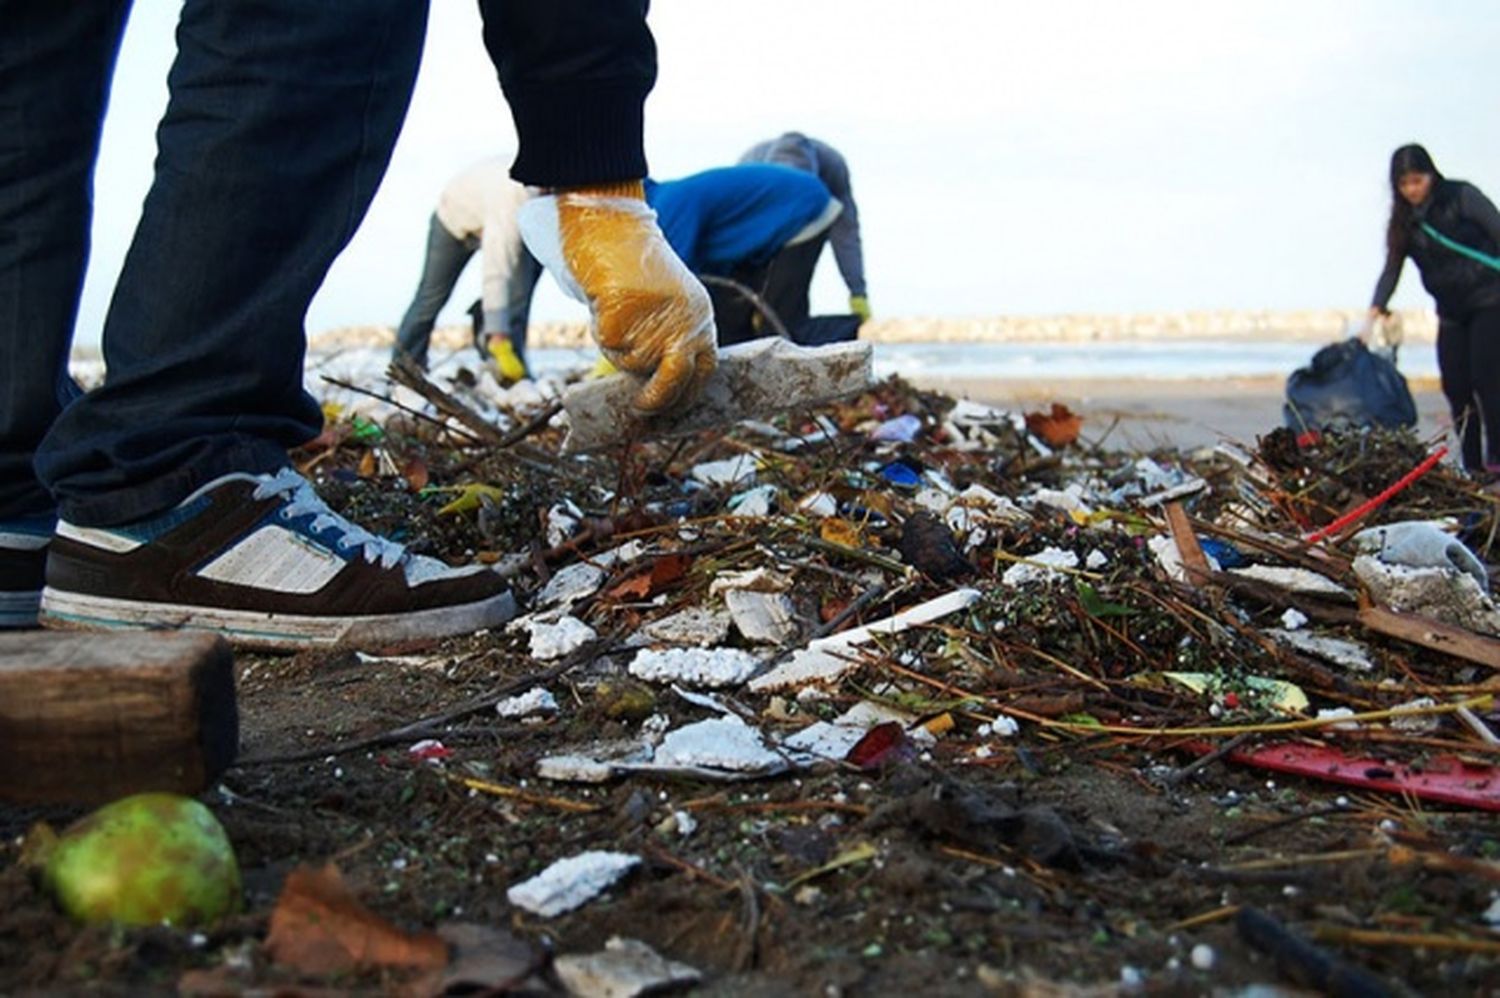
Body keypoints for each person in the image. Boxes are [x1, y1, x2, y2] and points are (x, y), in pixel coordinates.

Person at [0, 1, 714, 645]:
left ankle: (12, 496)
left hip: (495, 207)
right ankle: (171, 478)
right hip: (461, 217)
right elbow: (502, 271)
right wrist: (598, 194)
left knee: (30, 43)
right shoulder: (502, 197)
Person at [1369, 143, 1500, 474]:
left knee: (1488, 379)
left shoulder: (1461, 196)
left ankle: (1496, 457)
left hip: (1490, 300)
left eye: (1418, 180)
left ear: (1431, 175)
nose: (1413, 189)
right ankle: (1473, 465)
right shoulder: (1404, 223)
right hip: (1451, 311)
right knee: (1455, 386)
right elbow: (1392, 268)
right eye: (1405, 184)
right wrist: (1376, 307)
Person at [646, 163, 841, 345]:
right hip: (762, 239)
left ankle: (859, 331)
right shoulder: (663, 205)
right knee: (730, 323)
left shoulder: (666, 208)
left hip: (801, 209)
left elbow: (676, 289)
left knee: (779, 330)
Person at [390, 156, 542, 376]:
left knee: (519, 296)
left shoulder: (548, 198)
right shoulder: (511, 199)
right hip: (453, 224)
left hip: (497, 218)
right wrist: (499, 337)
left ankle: (511, 373)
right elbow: (496, 269)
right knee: (430, 299)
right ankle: (404, 370)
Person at [740, 132, 870, 321]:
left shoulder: (832, 168)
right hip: (760, 223)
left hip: (809, 227)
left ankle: (790, 321)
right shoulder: (750, 166)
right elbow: (741, 232)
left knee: (790, 295)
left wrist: (857, 290)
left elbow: (846, 233)